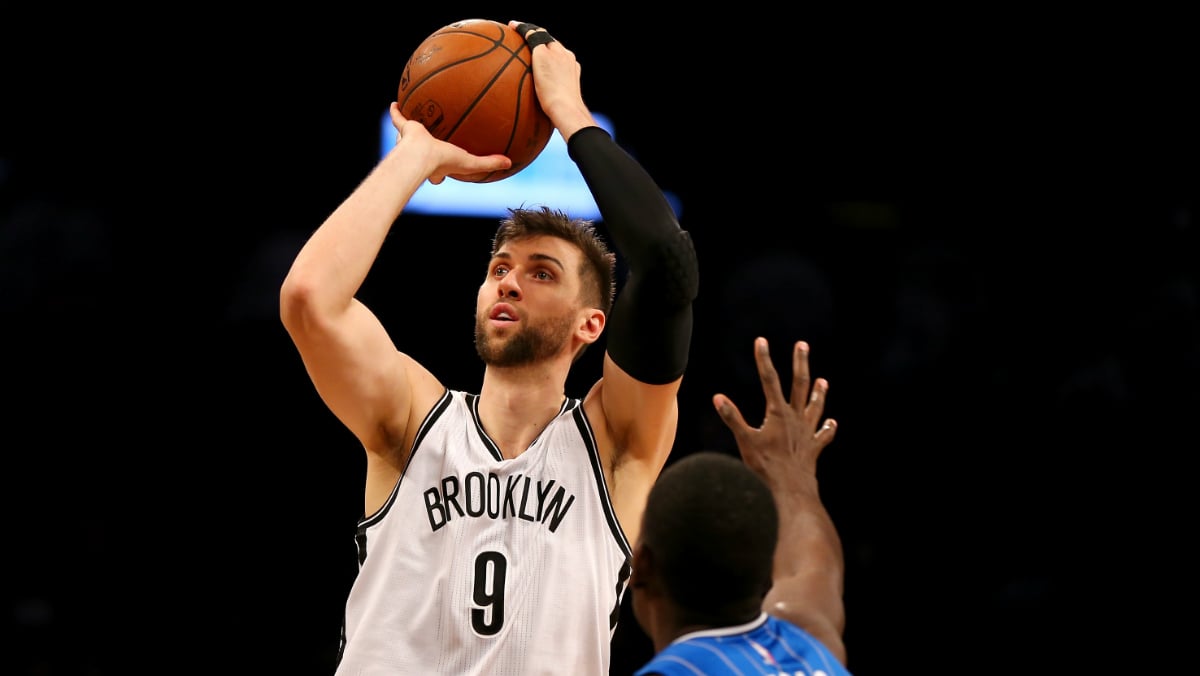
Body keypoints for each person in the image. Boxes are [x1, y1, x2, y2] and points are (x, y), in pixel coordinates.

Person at [279, 19, 698, 676]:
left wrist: (568, 112)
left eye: (542, 273)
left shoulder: (617, 443)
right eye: (500, 267)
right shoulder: (413, 417)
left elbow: (667, 264)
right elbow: (310, 300)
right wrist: (414, 158)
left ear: (592, 324)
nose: (508, 282)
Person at [631, 337, 851, 675]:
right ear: (766, 572)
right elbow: (815, 566)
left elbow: (815, 568)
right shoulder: (808, 641)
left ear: (641, 565)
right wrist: (794, 479)